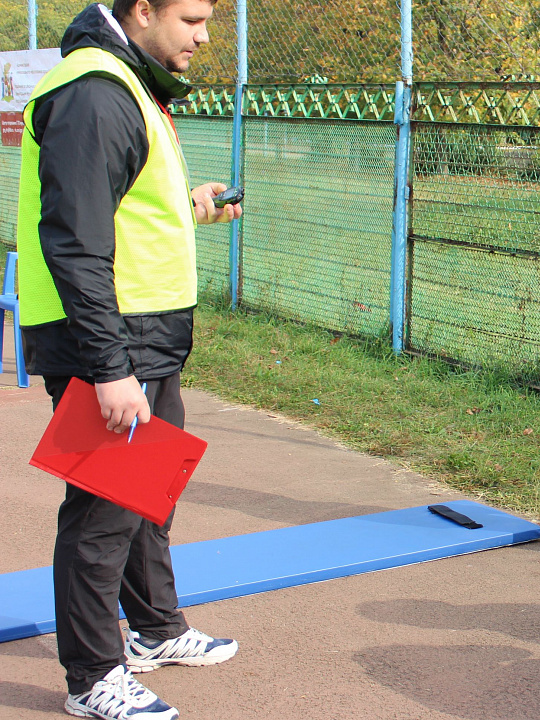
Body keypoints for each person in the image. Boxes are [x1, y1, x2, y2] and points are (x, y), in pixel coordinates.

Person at [17, 2, 243, 718]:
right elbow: (76, 241)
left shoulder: (123, 81)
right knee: (103, 511)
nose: (204, 36)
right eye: (192, 17)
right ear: (142, 11)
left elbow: (127, 202)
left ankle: (155, 631)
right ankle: (91, 678)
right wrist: (110, 367)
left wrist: (190, 203)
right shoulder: (93, 90)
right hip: (109, 338)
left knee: (147, 496)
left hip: (144, 333)